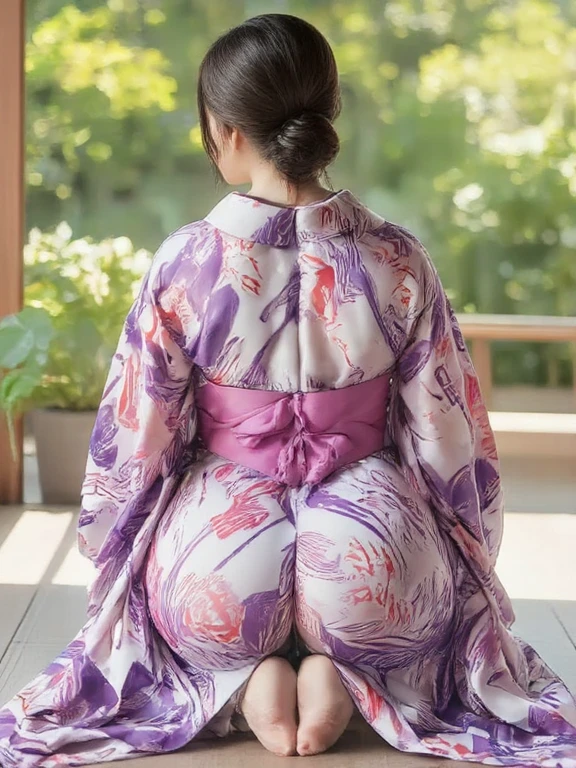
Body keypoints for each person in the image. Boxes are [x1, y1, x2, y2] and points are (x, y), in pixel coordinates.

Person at [1, 12, 576, 768]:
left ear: (225, 130)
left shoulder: (187, 261)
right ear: (325, 111)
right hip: (372, 566)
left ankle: (244, 683)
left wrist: (114, 550)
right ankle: (354, 670)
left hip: (221, 567)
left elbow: (135, 440)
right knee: (402, 597)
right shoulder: (397, 257)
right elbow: (449, 436)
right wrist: (468, 545)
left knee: (183, 603)